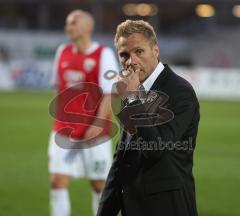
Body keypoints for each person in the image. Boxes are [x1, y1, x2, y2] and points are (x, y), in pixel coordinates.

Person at [97, 20, 200, 216]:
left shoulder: (179, 91)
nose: (131, 61)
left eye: (139, 52)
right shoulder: (133, 93)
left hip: (168, 208)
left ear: (155, 51)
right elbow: (123, 159)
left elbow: (156, 148)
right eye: (124, 55)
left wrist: (134, 99)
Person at [48, 10, 118, 216]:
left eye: (72, 23)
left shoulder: (103, 54)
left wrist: (96, 125)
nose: (67, 27)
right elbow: (56, 87)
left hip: (94, 132)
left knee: (98, 185)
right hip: (63, 129)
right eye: (67, 23)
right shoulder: (62, 51)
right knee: (57, 181)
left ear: (87, 27)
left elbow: (109, 93)